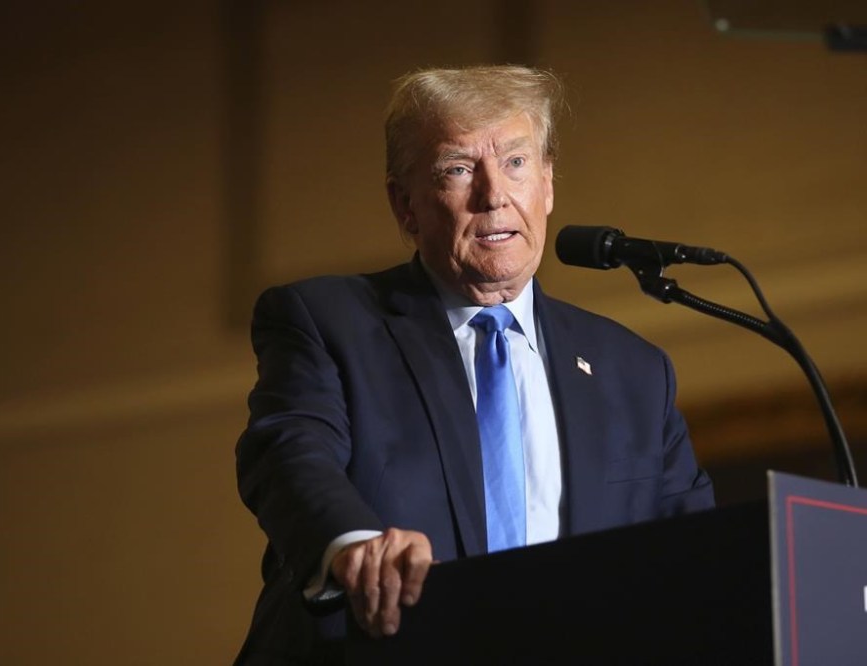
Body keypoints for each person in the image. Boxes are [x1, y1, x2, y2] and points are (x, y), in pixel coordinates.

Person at [234, 64, 714, 665]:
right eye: (459, 169)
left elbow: (695, 556)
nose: (494, 195)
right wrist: (353, 547)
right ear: (404, 204)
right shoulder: (328, 321)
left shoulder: (634, 372)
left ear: (547, 185)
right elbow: (287, 452)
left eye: (515, 163)